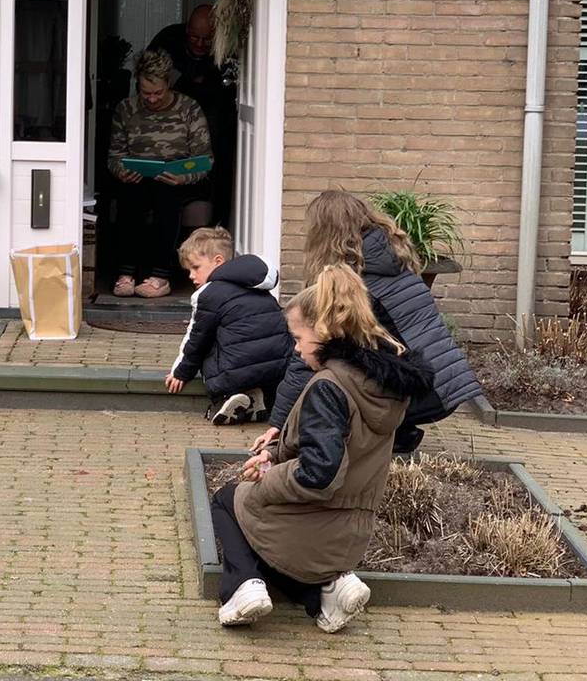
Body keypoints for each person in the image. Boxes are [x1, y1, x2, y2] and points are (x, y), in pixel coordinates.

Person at [212, 264, 434, 632]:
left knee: (228, 499)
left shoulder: (329, 386)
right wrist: (276, 454)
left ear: (325, 331)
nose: (297, 350)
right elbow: (338, 446)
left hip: (314, 523)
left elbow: (320, 474)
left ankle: (241, 588)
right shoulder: (378, 385)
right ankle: (326, 593)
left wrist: (268, 477)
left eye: (298, 338)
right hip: (348, 534)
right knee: (269, 541)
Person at [253, 190, 483, 455]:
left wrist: (279, 424)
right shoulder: (390, 260)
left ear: (325, 233)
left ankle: (386, 438)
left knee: (333, 380)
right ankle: (400, 433)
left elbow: (312, 351)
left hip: (425, 391)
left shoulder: (350, 282)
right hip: (446, 384)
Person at [107, 48, 214, 299]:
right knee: (130, 195)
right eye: (146, 93)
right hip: (138, 178)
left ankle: (160, 275)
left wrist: (182, 177)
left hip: (179, 180)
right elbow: (114, 156)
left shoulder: (189, 109)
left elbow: (205, 160)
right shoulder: (126, 109)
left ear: (169, 84)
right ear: (137, 85)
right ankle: (126, 274)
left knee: (167, 194)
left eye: (158, 93)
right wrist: (122, 171)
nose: (152, 99)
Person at [164, 227, 291, 425]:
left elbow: (197, 339)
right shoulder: (258, 286)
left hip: (235, 373)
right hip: (279, 366)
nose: (191, 275)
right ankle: (258, 400)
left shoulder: (208, 294)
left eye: (195, 268)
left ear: (218, 262)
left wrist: (181, 372)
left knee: (211, 343)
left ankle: (224, 399)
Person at [149, 4, 238, 227]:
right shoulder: (168, 40)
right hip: (169, 122)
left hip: (213, 122)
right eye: (193, 37)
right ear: (186, 28)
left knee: (214, 173)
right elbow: (149, 80)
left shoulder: (228, 48)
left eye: (206, 40)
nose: (199, 44)